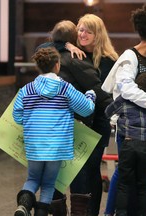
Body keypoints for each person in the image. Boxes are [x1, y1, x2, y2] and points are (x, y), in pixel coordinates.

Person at [38, 16, 119, 216]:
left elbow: (108, 94)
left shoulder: (109, 60)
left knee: (92, 172)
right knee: (73, 174)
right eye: (80, 30)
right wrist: (63, 44)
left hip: (97, 123)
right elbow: (43, 48)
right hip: (75, 123)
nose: (82, 35)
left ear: (97, 35)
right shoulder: (70, 51)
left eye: (87, 31)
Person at [12, 47, 96, 216]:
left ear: (38, 66)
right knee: (49, 184)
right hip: (57, 146)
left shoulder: (26, 90)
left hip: (34, 145)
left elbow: (17, 116)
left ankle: (23, 206)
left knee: (33, 179)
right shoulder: (64, 88)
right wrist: (91, 95)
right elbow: (86, 109)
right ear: (57, 65)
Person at [102, 4, 146, 215]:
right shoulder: (130, 57)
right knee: (123, 174)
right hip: (131, 127)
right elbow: (126, 89)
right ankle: (110, 212)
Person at [105, 72, 146, 216]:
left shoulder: (125, 99)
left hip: (128, 144)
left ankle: (121, 213)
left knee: (123, 184)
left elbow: (107, 111)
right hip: (145, 146)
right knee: (143, 186)